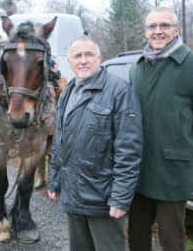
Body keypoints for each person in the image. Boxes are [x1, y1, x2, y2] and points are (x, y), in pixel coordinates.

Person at [47, 36, 143, 251]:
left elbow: (129, 150)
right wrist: (54, 179)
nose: (83, 60)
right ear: (69, 62)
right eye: (77, 56)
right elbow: (59, 142)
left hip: (102, 196)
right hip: (72, 192)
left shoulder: (119, 92)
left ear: (99, 58)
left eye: (89, 54)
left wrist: (120, 197)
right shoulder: (68, 92)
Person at [128, 5, 193, 251]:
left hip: (172, 170)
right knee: (137, 235)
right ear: (145, 32)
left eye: (164, 25)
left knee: (172, 239)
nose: (158, 31)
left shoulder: (189, 64)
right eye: (152, 26)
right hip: (139, 168)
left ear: (176, 30)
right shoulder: (137, 67)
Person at [34, 55, 68, 190]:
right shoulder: (40, 79)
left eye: (55, 64)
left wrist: (54, 79)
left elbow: (63, 92)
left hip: (54, 125)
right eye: (50, 65)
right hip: (40, 124)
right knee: (39, 154)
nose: (53, 66)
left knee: (54, 154)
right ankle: (41, 178)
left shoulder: (62, 79)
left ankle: (53, 180)